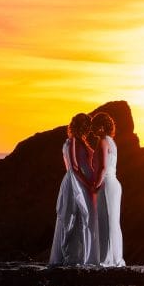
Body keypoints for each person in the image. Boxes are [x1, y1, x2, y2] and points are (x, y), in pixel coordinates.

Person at [49, 113, 98, 265]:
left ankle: (84, 256)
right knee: (75, 217)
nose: (88, 128)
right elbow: (73, 168)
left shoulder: (82, 141)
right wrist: (87, 184)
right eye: (86, 125)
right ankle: (72, 256)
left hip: (84, 181)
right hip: (76, 184)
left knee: (85, 218)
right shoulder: (72, 142)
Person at [90, 112, 125, 266]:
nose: (92, 129)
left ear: (102, 127)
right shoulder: (112, 142)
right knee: (113, 221)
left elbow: (103, 167)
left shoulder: (103, 142)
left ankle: (105, 259)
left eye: (95, 126)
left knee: (105, 221)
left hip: (106, 184)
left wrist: (95, 186)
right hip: (114, 183)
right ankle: (115, 257)